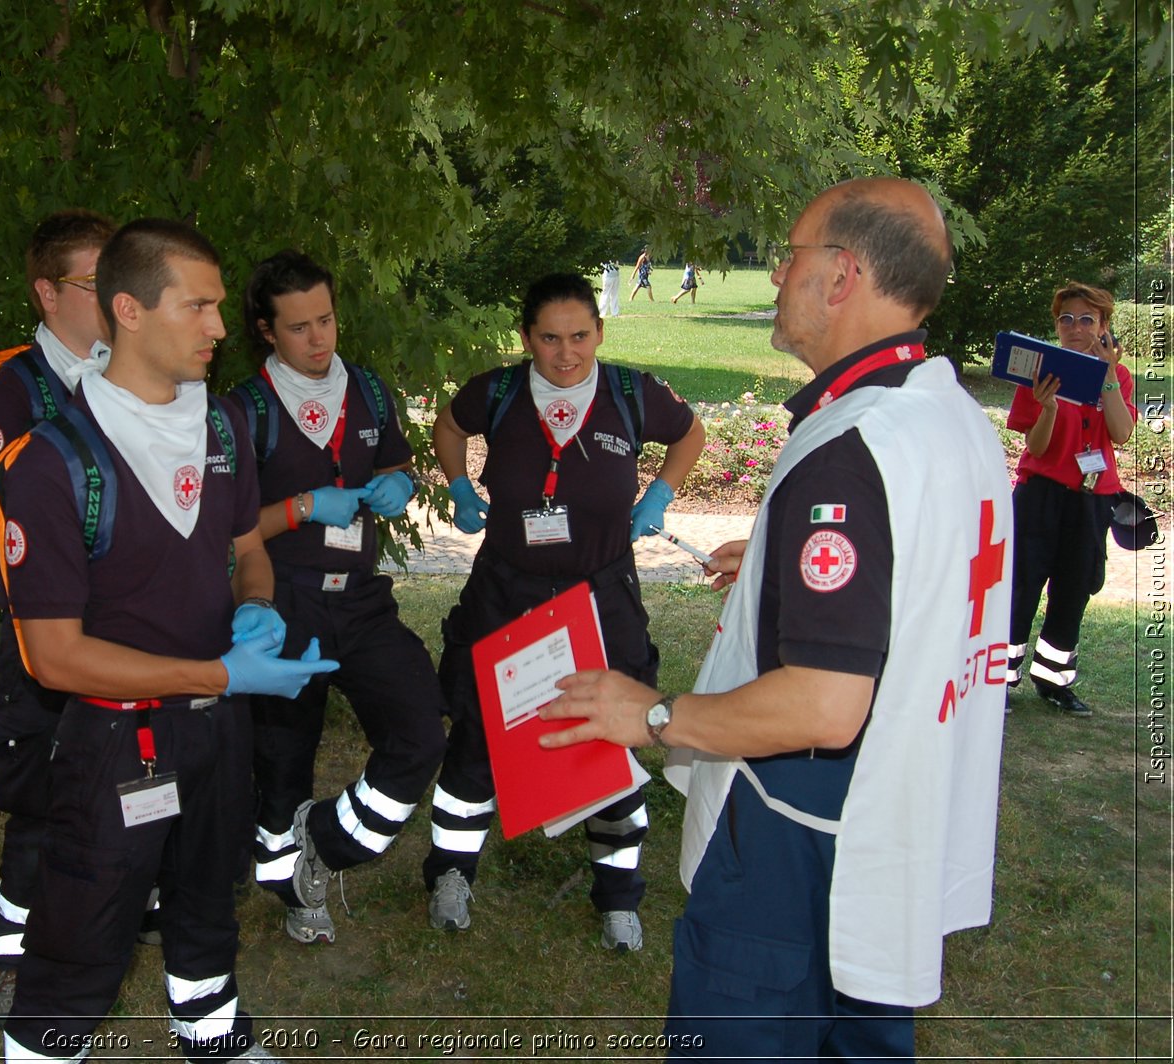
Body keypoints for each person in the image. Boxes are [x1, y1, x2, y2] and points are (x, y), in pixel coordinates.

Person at [541, 177, 1012, 1059]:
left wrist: (648, 714)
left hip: (803, 842)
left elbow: (827, 705)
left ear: (841, 276)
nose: (772, 279)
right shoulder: (949, 414)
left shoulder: (851, 452)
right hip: (894, 832)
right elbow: (923, 569)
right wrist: (778, 568)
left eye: (787, 256)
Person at [0, 219, 337, 1063]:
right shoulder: (52, 460)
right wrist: (220, 668)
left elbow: (245, 548)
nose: (221, 328)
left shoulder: (222, 425)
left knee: (205, 896)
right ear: (130, 310)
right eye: (201, 307)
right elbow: (53, 656)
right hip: (117, 738)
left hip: (217, 724)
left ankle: (211, 1033)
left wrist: (254, 608)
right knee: (85, 925)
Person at [427, 272, 705, 949]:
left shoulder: (632, 394)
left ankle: (617, 897)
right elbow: (447, 426)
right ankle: (450, 875)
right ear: (527, 339)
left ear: (600, 333)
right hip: (507, 591)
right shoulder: (496, 391)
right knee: (477, 737)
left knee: (612, 738)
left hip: (599, 595)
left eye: (580, 335)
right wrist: (461, 486)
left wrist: (660, 495)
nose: (566, 353)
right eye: (549, 338)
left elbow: (691, 435)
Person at [230, 250, 447, 946]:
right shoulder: (242, 412)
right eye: (298, 328)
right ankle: (290, 888)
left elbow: (396, 461)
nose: (319, 338)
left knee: (420, 727)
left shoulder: (371, 391)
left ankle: (325, 843)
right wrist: (299, 508)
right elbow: (224, 534)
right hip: (282, 601)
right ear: (267, 331)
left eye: (325, 319)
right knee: (282, 762)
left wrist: (401, 485)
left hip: (359, 599)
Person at [0, 208, 117, 1019]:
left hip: (129, 624)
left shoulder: (134, 367)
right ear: (48, 294)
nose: (119, 294)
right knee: (46, 786)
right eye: (98, 282)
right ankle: (12, 952)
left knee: (125, 772)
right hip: (45, 626)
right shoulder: (10, 383)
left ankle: (118, 914)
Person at [1005, 281, 1136, 716]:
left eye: (1085, 319)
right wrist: (1049, 409)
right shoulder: (1038, 372)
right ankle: (1001, 681)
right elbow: (1037, 448)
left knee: (1074, 589)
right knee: (1021, 585)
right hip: (1040, 494)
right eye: (1065, 319)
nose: (1074, 327)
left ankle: (1054, 682)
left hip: (1091, 497)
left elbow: (1120, 433)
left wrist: (1107, 381)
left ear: (1103, 327)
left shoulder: (1117, 377)